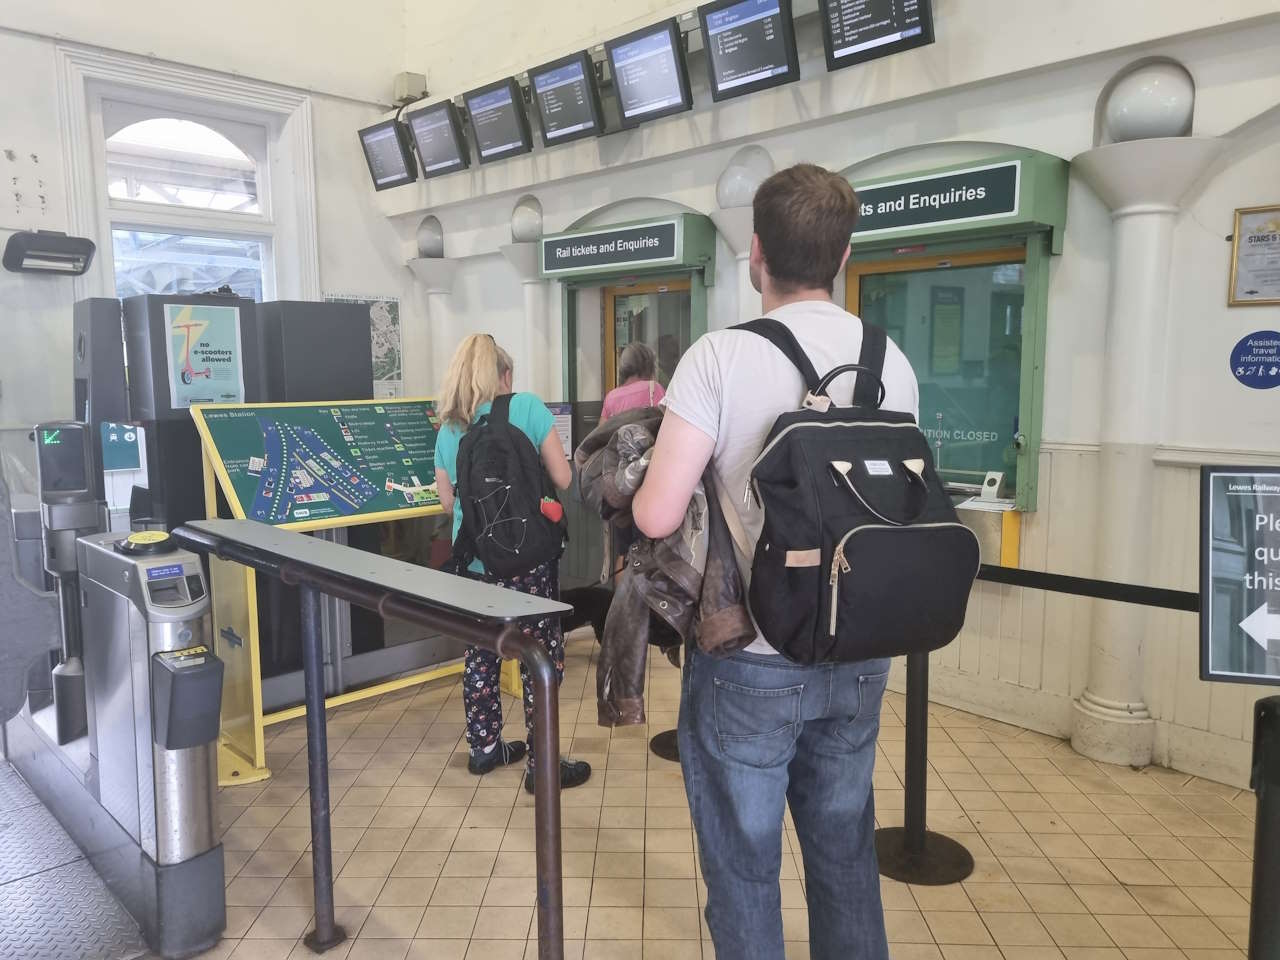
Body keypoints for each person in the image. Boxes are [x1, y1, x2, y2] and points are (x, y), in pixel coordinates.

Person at [632, 164, 920, 960]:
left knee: (745, 867)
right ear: (845, 251)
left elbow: (657, 512)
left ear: (754, 252)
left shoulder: (720, 357)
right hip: (860, 648)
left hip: (751, 653)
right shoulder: (890, 360)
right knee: (844, 852)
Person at [433, 334, 591, 793]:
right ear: (504, 375)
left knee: (480, 650)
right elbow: (562, 477)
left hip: (478, 562)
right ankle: (542, 764)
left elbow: (448, 504)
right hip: (530, 562)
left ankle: (484, 749)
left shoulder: (449, 428)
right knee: (539, 656)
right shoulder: (528, 409)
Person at [601, 342, 666, 421]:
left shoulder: (611, 397)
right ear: (648, 365)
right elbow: (667, 422)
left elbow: (602, 430)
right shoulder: (653, 388)